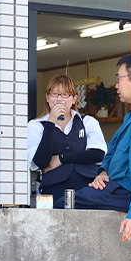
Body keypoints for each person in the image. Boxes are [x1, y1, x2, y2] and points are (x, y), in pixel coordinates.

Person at [55, 53, 131, 241]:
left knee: (65, 203)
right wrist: (103, 173)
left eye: (118, 79)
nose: (117, 86)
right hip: (121, 187)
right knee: (69, 198)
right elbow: (112, 150)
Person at [27, 75, 107, 203]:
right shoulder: (37, 126)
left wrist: (62, 158)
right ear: (47, 98)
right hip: (54, 189)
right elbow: (41, 161)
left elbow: (97, 154)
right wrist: (50, 123)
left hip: (88, 187)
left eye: (65, 94)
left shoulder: (87, 122)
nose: (59, 98)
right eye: (54, 94)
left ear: (74, 99)